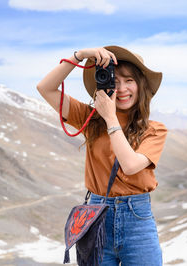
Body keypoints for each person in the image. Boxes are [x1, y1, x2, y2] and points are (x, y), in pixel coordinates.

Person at [37, 46, 167, 265]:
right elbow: (45, 88)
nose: (122, 89)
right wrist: (81, 55)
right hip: (97, 218)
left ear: (141, 85)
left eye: (129, 80)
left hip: (138, 221)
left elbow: (131, 166)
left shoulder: (154, 129)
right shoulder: (90, 119)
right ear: (103, 86)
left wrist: (110, 117)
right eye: (114, 81)